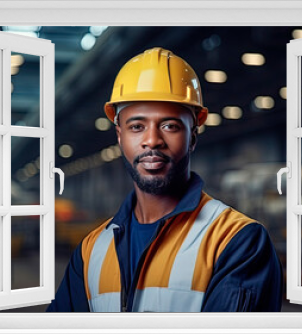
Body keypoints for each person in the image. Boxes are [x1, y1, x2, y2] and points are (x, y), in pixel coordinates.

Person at [47, 47, 283, 312]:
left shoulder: (237, 241)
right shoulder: (91, 251)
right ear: (119, 137)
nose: (152, 141)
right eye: (137, 127)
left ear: (193, 135)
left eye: (169, 125)